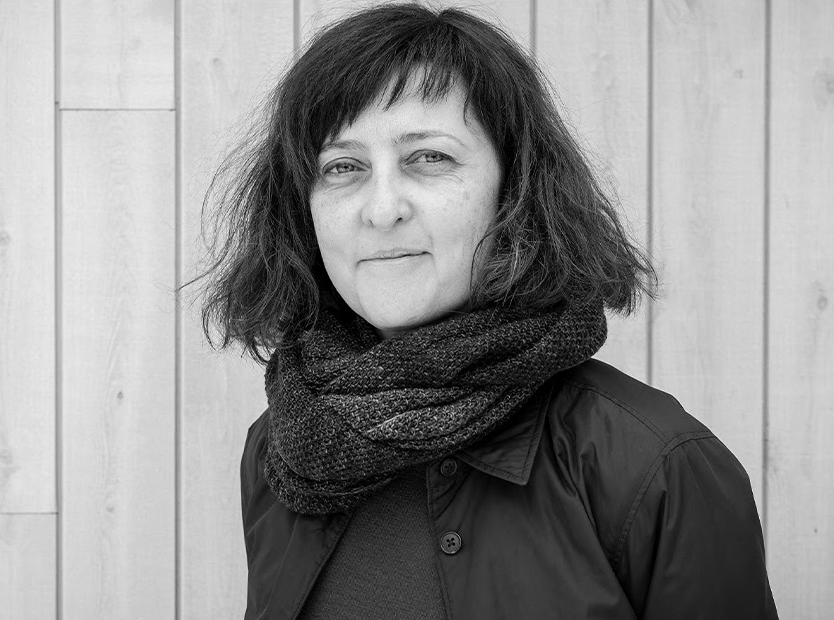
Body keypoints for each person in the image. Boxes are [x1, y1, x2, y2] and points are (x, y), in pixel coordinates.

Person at [190, 4, 777, 619]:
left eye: (430, 157)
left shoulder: (652, 464)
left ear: (516, 189)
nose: (381, 208)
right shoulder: (280, 451)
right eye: (343, 167)